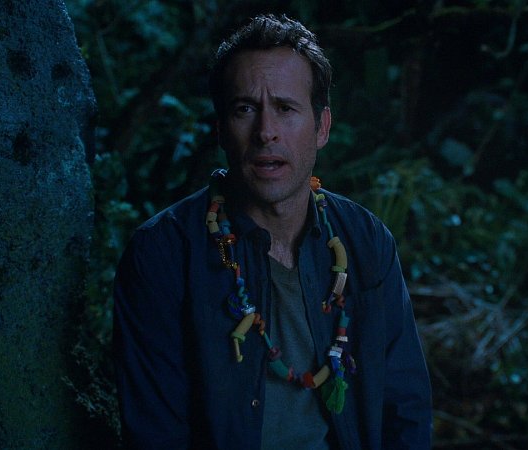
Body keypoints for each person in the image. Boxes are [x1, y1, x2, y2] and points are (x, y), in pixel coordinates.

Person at [113, 14, 432, 449]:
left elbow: (406, 407)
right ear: (221, 129)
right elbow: (156, 434)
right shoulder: (164, 253)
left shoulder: (365, 241)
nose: (266, 132)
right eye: (245, 109)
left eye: (285, 108)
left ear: (321, 127)